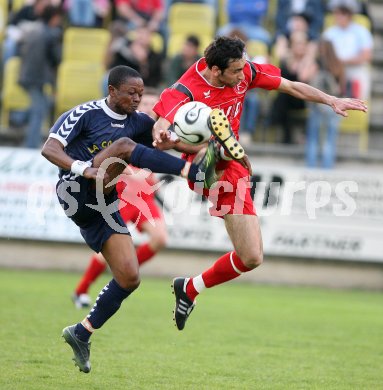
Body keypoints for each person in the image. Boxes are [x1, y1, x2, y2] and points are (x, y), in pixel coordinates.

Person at [151, 35, 367, 331]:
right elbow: (160, 124)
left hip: (235, 167)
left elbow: (290, 86)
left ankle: (189, 288)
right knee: (210, 152)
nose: (244, 75)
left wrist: (330, 100)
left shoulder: (244, 72)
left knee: (252, 257)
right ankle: (213, 153)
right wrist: (164, 137)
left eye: (243, 68)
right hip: (208, 169)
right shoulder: (186, 89)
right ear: (215, 71)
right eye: (236, 71)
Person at [41, 65, 218, 373]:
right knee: (123, 147)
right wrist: (82, 168)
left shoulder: (138, 124)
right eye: (131, 93)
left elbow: (164, 144)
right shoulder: (84, 114)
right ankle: (192, 173)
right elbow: (50, 148)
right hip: (75, 189)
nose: (138, 99)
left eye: (141, 93)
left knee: (129, 276)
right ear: (112, 91)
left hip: (105, 201)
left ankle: (82, 333)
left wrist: (204, 145)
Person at [72, 88, 168, 308]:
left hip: (143, 198)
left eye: (154, 106)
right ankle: (81, 290)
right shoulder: (125, 129)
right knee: (109, 251)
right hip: (122, 196)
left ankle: (122, 276)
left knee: (160, 238)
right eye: (145, 104)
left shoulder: (156, 134)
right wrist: (133, 173)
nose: (150, 110)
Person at [18, 5, 64, 148]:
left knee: (41, 105)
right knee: (39, 110)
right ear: (54, 18)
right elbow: (57, 58)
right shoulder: (51, 34)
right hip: (37, 77)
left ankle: (20, 117)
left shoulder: (30, 30)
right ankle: (30, 145)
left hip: (25, 75)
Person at [305, 39, 346, 168]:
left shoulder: (316, 63)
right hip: (334, 106)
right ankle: (327, 168)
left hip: (318, 104)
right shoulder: (338, 64)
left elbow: (304, 77)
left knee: (313, 139)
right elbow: (341, 88)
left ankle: (311, 168)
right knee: (329, 139)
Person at [323, 0, 373, 101]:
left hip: (355, 70)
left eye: (343, 13)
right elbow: (324, 54)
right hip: (333, 71)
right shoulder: (329, 33)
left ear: (350, 15)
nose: (340, 16)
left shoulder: (361, 31)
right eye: (337, 13)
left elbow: (366, 56)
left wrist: (344, 61)